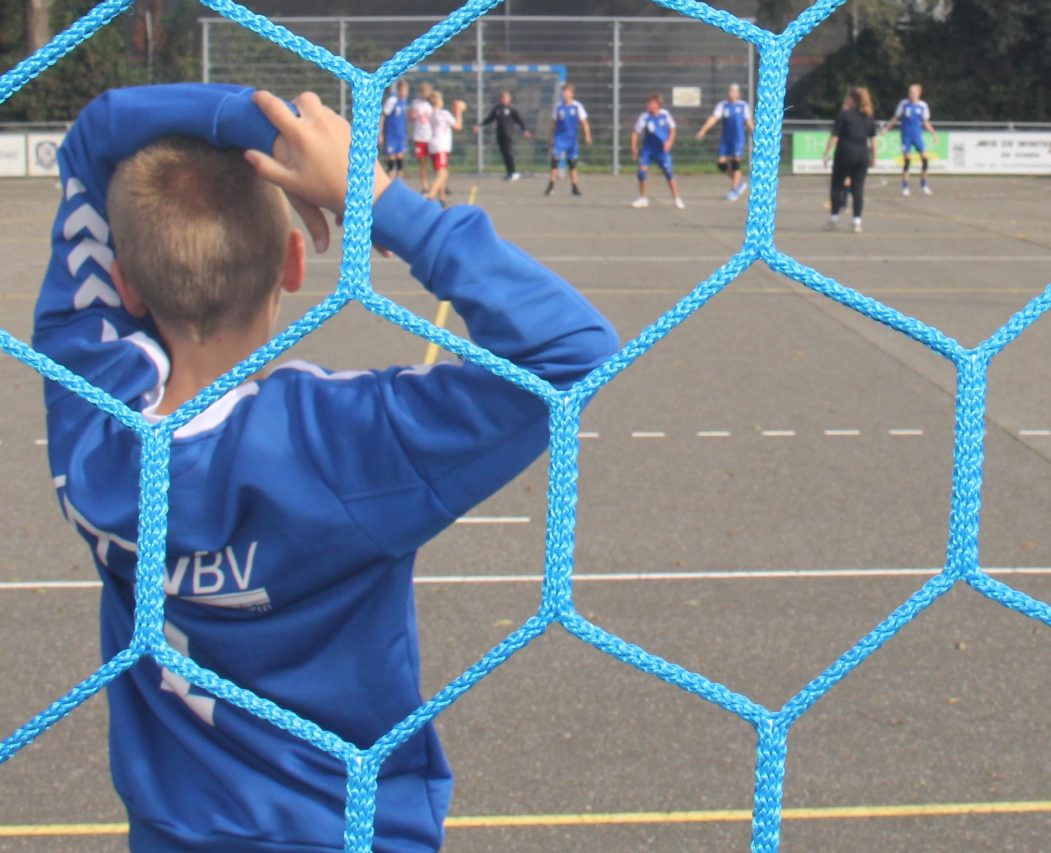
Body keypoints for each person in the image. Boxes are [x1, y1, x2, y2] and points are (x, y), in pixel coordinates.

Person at [33, 81, 616, 853]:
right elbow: (572, 349)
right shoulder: (338, 442)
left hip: (173, 832)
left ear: (126, 286)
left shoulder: (92, 419)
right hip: (345, 828)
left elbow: (92, 134)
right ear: (294, 262)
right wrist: (372, 195)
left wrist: (275, 138)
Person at [822, 87, 877, 232]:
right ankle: (857, 221)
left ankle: (834, 218)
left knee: (837, 185)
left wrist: (827, 153)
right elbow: (873, 140)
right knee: (858, 188)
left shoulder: (844, 115)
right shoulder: (869, 116)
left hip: (845, 152)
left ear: (852, 99)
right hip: (862, 154)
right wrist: (874, 157)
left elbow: (835, 136)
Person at [695, 83, 754, 201]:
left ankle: (734, 190)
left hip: (738, 138)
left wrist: (755, 133)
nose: (731, 93)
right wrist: (703, 130)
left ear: (738, 93)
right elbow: (714, 118)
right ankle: (739, 183)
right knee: (721, 163)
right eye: (730, 90)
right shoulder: (723, 105)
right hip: (726, 139)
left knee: (735, 162)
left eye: (733, 91)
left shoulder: (743, 106)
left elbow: (748, 121)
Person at [631, 93, 683, 210]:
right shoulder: (644, 117)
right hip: (648, 150)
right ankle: (643, 198)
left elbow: (673, 129)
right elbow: (635, 132)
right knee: (641, 173)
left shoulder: (665, 114)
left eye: (650, 103)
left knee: (669, 173)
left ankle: (677, 198)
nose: (647, 105)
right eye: (647, 103)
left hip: (662, 150)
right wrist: (633, 147)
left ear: (657, 104)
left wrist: (669, 142)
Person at [886, 84, 934, 197]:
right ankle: (905, 187)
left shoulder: (923, 105)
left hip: (917, 136)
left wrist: (933, 133)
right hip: (906, 136)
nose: (910, 94)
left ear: (919, 93)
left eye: (913, 92)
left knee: (925, 159)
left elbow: (926, 121)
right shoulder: (904, 104)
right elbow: (896, 118)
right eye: (910, 92)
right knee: (907, 161)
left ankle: (924, 185)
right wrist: (886, 128)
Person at [545, 83, 591, 198]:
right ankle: (551, 186)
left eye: (567, 92)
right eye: (563, 92)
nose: (565, 94)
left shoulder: (577, 106)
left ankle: (574, 187)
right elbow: (553, 123)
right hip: (559, 139)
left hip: (571, 140)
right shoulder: (558, 107)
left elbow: (584, 122)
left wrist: (587, 135)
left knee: (572, 164)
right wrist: (549, 137)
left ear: (572, 94)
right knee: (554, 162)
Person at [425, 89, 465, 203]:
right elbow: (458, 126)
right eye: (441, 99)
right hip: (441, 146)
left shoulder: (431, 113)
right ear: (438, 101)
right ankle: (430, 197)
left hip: (433, 146)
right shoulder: (443, 113)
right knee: (443, 174)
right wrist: (458, 111)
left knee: (441, 172)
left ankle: (442, 197)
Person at [481, 90, 530, 181]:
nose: (503, 99)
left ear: (509, 99)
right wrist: (480, 125)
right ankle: (509, 172)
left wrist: (525, 130)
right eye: (502, 97)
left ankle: (514, 172)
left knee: (507, 152)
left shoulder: (512, 109)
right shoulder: (497, 109)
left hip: (508, 133)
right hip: (499, 133)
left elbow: (519, 120)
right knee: (504, 153)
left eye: (505, 98)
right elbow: (490, 119)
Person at [407, 82, 436, 193]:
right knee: (423, 162)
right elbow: (410, 117)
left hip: (432, 136)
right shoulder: (416, 103)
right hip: (420, 136)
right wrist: (413, 115)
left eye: (426, 91)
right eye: (423, 91)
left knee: (435, 163)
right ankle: (425, 186)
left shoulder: (432, 103)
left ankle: (438, 185)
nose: (424, 93)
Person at [380, 79, 412, 177]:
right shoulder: (392, 100)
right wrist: (380, 134)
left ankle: (399, 179)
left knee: (400, 156)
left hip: (400, 134)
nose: (403, 93)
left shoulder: (404, 101)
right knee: (391, 157)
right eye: (402, 91)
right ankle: (389, 178)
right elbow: (383, 116)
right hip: (391, 134)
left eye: (405, 91)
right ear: (398, 90)